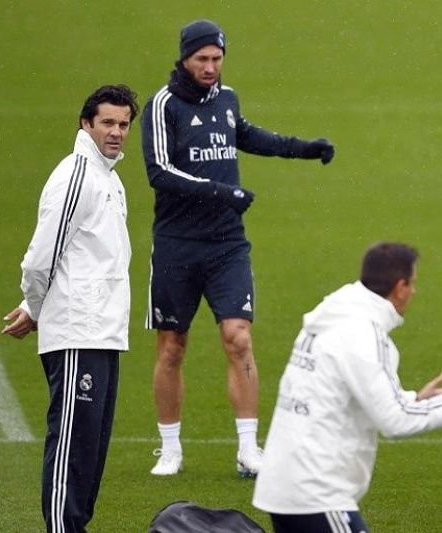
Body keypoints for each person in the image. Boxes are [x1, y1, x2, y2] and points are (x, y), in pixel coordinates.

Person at [141, 19, 335, 477]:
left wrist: (301, 149)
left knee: (238, 338)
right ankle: (170, 448)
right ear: (184, 59)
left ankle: (249, 449)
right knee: (172, 346)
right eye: (201, 59)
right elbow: (160, 173)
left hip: (227, 244)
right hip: (176, 246)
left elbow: (245, 135)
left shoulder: (226, 101)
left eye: (217, 58)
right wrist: (221, 193)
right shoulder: (162, 106)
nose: (211, 67)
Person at [252, 242, 442, 532]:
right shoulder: (364, 333)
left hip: (284, 484)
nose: (415, 292)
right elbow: (395, 420)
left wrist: (414, 398)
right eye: (413, 283)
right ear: (400, 287)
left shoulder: (333, 315)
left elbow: (345, 392)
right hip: (316, 492)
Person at [1, 85, 139, 532]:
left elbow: (79, 257)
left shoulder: (109, 178)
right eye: (108, 123)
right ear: (86, 124)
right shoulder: (77, 175)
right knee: (71, 449)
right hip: (79, 332)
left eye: (123, 124)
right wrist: (38, 307)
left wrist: (32, 304)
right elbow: (40, 258)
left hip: (103, 332)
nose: (117, 132)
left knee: (90, 452)